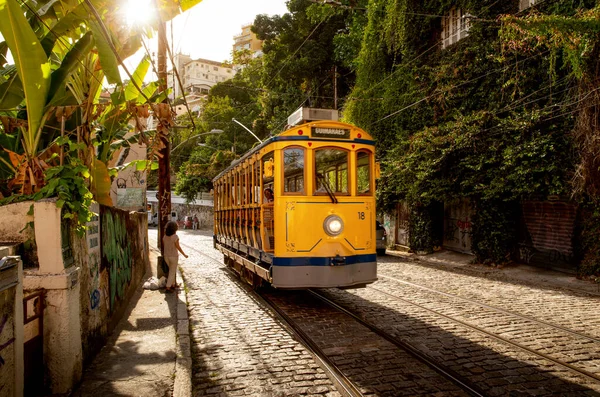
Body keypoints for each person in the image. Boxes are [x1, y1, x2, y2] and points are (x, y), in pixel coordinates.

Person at [162, 221, 188, 292]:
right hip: (173, 256)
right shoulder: (175, 237)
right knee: (172, 272)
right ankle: (168, 287)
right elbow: (178, 247)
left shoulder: (165, 236)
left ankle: (173, 284)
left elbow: (165, 246)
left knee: (171, 270)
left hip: (166, 256)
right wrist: (184, 254)